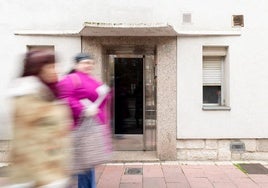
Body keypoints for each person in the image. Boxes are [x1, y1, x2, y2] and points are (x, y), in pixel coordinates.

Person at [6, 50, 71, 187]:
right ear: (37, 69)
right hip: (40, 175)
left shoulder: (46, 92)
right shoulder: (27, 97)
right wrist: (46, 177)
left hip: (52, 169)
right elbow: (28, 142)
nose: (56, 70)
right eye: (51, 66)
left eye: (56, 65)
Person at [57, 53, 111, 188]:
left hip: (90, 129)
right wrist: (83, 109)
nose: (89, 65)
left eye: (91, 63)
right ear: (76, 64)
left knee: (86, 163)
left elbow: (100, 100)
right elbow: (65, 99)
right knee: (80, 164)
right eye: (85, 62)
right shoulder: (70, 79)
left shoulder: (92, 79)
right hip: (77, 128)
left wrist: (105, 94)